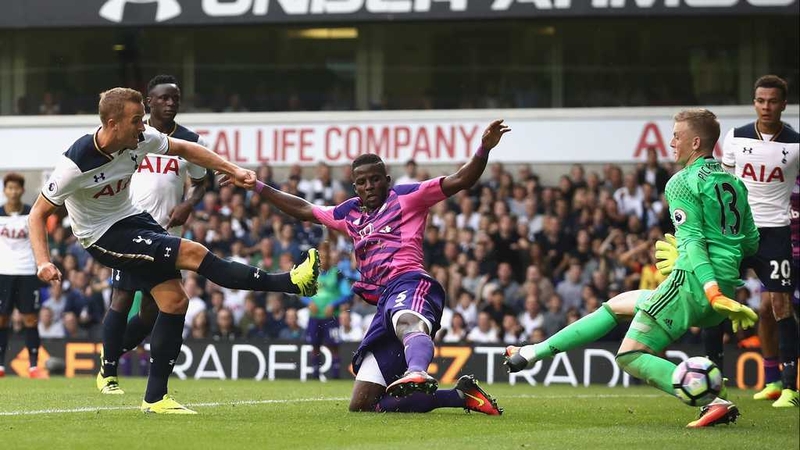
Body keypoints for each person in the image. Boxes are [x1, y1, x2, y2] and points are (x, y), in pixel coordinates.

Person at [29, 87, 320, 414]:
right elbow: (38, 213)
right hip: (103, 236)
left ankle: (155, 398)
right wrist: (43, 261)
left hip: (133, 218)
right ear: (113, 124)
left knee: (175, 301)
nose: (143, 126)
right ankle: (291, 283)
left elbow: (185, 148)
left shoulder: (141, 138)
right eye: (136, 120)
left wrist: (233, 170)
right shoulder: (75, 163)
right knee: (191, 256)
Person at [506, 109, 760, 427]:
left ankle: (713, 401)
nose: (671, 142)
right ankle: (533, 352)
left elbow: (693, 241)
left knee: (630, 355)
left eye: (677, 136)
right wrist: (719, 279)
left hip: (696, 284)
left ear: (696, 142)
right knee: (618, 304)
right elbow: (750, 242)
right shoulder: (734, 183)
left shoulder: (681, 183)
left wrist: (706, 285)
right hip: (726, 290)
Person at [241, 120, 510, 415]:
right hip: (384, 304)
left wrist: (483, 148)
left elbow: (460, 180)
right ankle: (460, 396)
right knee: (363, 405)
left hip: (410, 283)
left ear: (387, 179)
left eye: (375, 179)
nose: (369, 186)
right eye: (362, 182)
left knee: (408, 322)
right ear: (354, 186)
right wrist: (257, 186)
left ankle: (418, 370)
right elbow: (304, 209)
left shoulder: (409, 197)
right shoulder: (349, 213)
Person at [95, 75, 209, 395]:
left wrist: (189, 203)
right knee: (122, 297)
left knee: (151, 312)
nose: (170, 103)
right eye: (163, 98)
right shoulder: (134, 134)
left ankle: (110, 354)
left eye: (175, 98)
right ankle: (109, 372)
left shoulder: (189, 141)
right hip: (129, 228)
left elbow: (201, 181)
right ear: (150, 102)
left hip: (168, 235)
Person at [717, 75, 799, 407]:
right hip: (738, 234)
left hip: (777, 234)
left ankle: (790, 388)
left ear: (784, 104)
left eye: (773, 101)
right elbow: (724, 187)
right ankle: (726, 383)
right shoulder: (735, 137)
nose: (766, 107)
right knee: (717, 300)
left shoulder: (795, 145)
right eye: (760, 100)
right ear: (754, 102)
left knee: (780, 307)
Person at [0, 173, 48, 378]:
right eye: (9, 188)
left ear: (22, 190)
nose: (13, 191)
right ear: (5, 191)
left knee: (30, 318)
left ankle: (33, 365)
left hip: (28, 270)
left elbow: (40, 237)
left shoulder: (32, 213)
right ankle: (1, 366)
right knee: (2, 319)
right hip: (3, 272)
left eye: (16, 188)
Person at [302, 242, 350, 380]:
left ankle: (335, 376)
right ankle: (315, 375)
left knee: (333, 345)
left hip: (331, 316)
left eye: (326, 256)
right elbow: (301, 292)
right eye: (321, 256)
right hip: (314, 315)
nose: (324, 259)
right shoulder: (310, 273)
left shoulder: (337, 273)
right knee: (315, 345)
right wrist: (308, 302)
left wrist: (334, 304)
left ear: (330, 257)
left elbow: (347, 293)